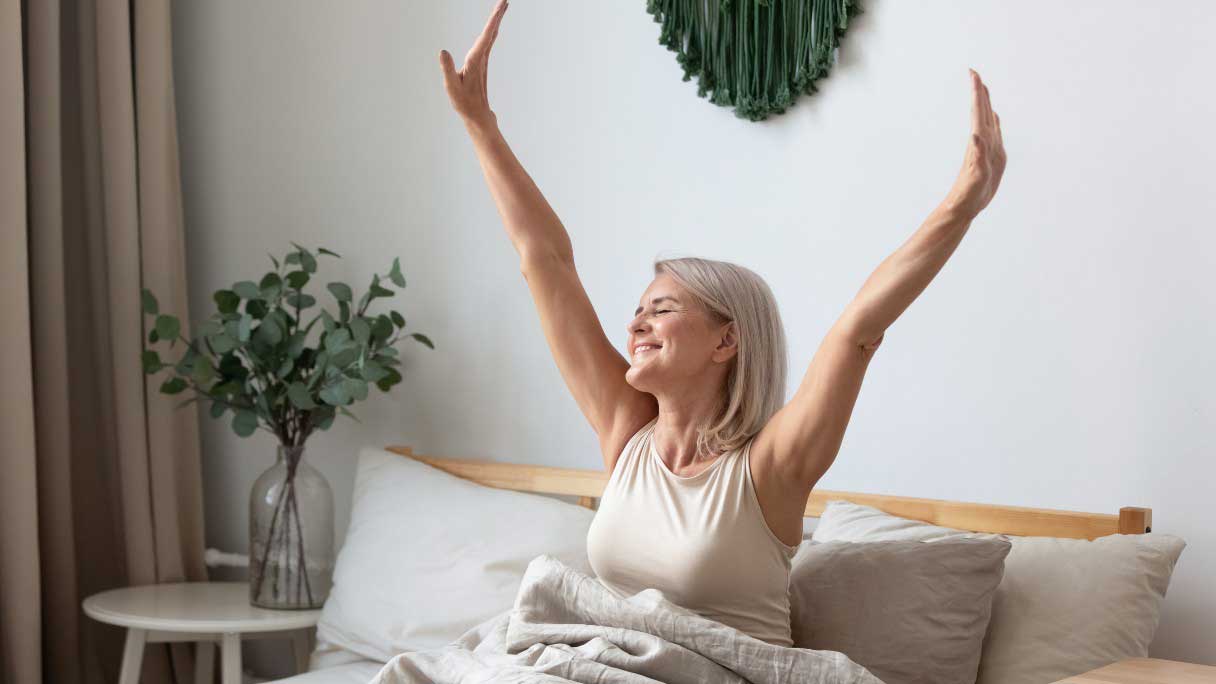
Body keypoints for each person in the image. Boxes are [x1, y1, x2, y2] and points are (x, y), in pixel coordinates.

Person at [438, 0, 1006, 647]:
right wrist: (481, 126)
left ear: (726, 340)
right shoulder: (626, 436)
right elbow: (547, 263)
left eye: (663, 308)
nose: (637, 324)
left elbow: (857, 330)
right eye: (638, 309)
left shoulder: (771, 468)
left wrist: (961, 206)